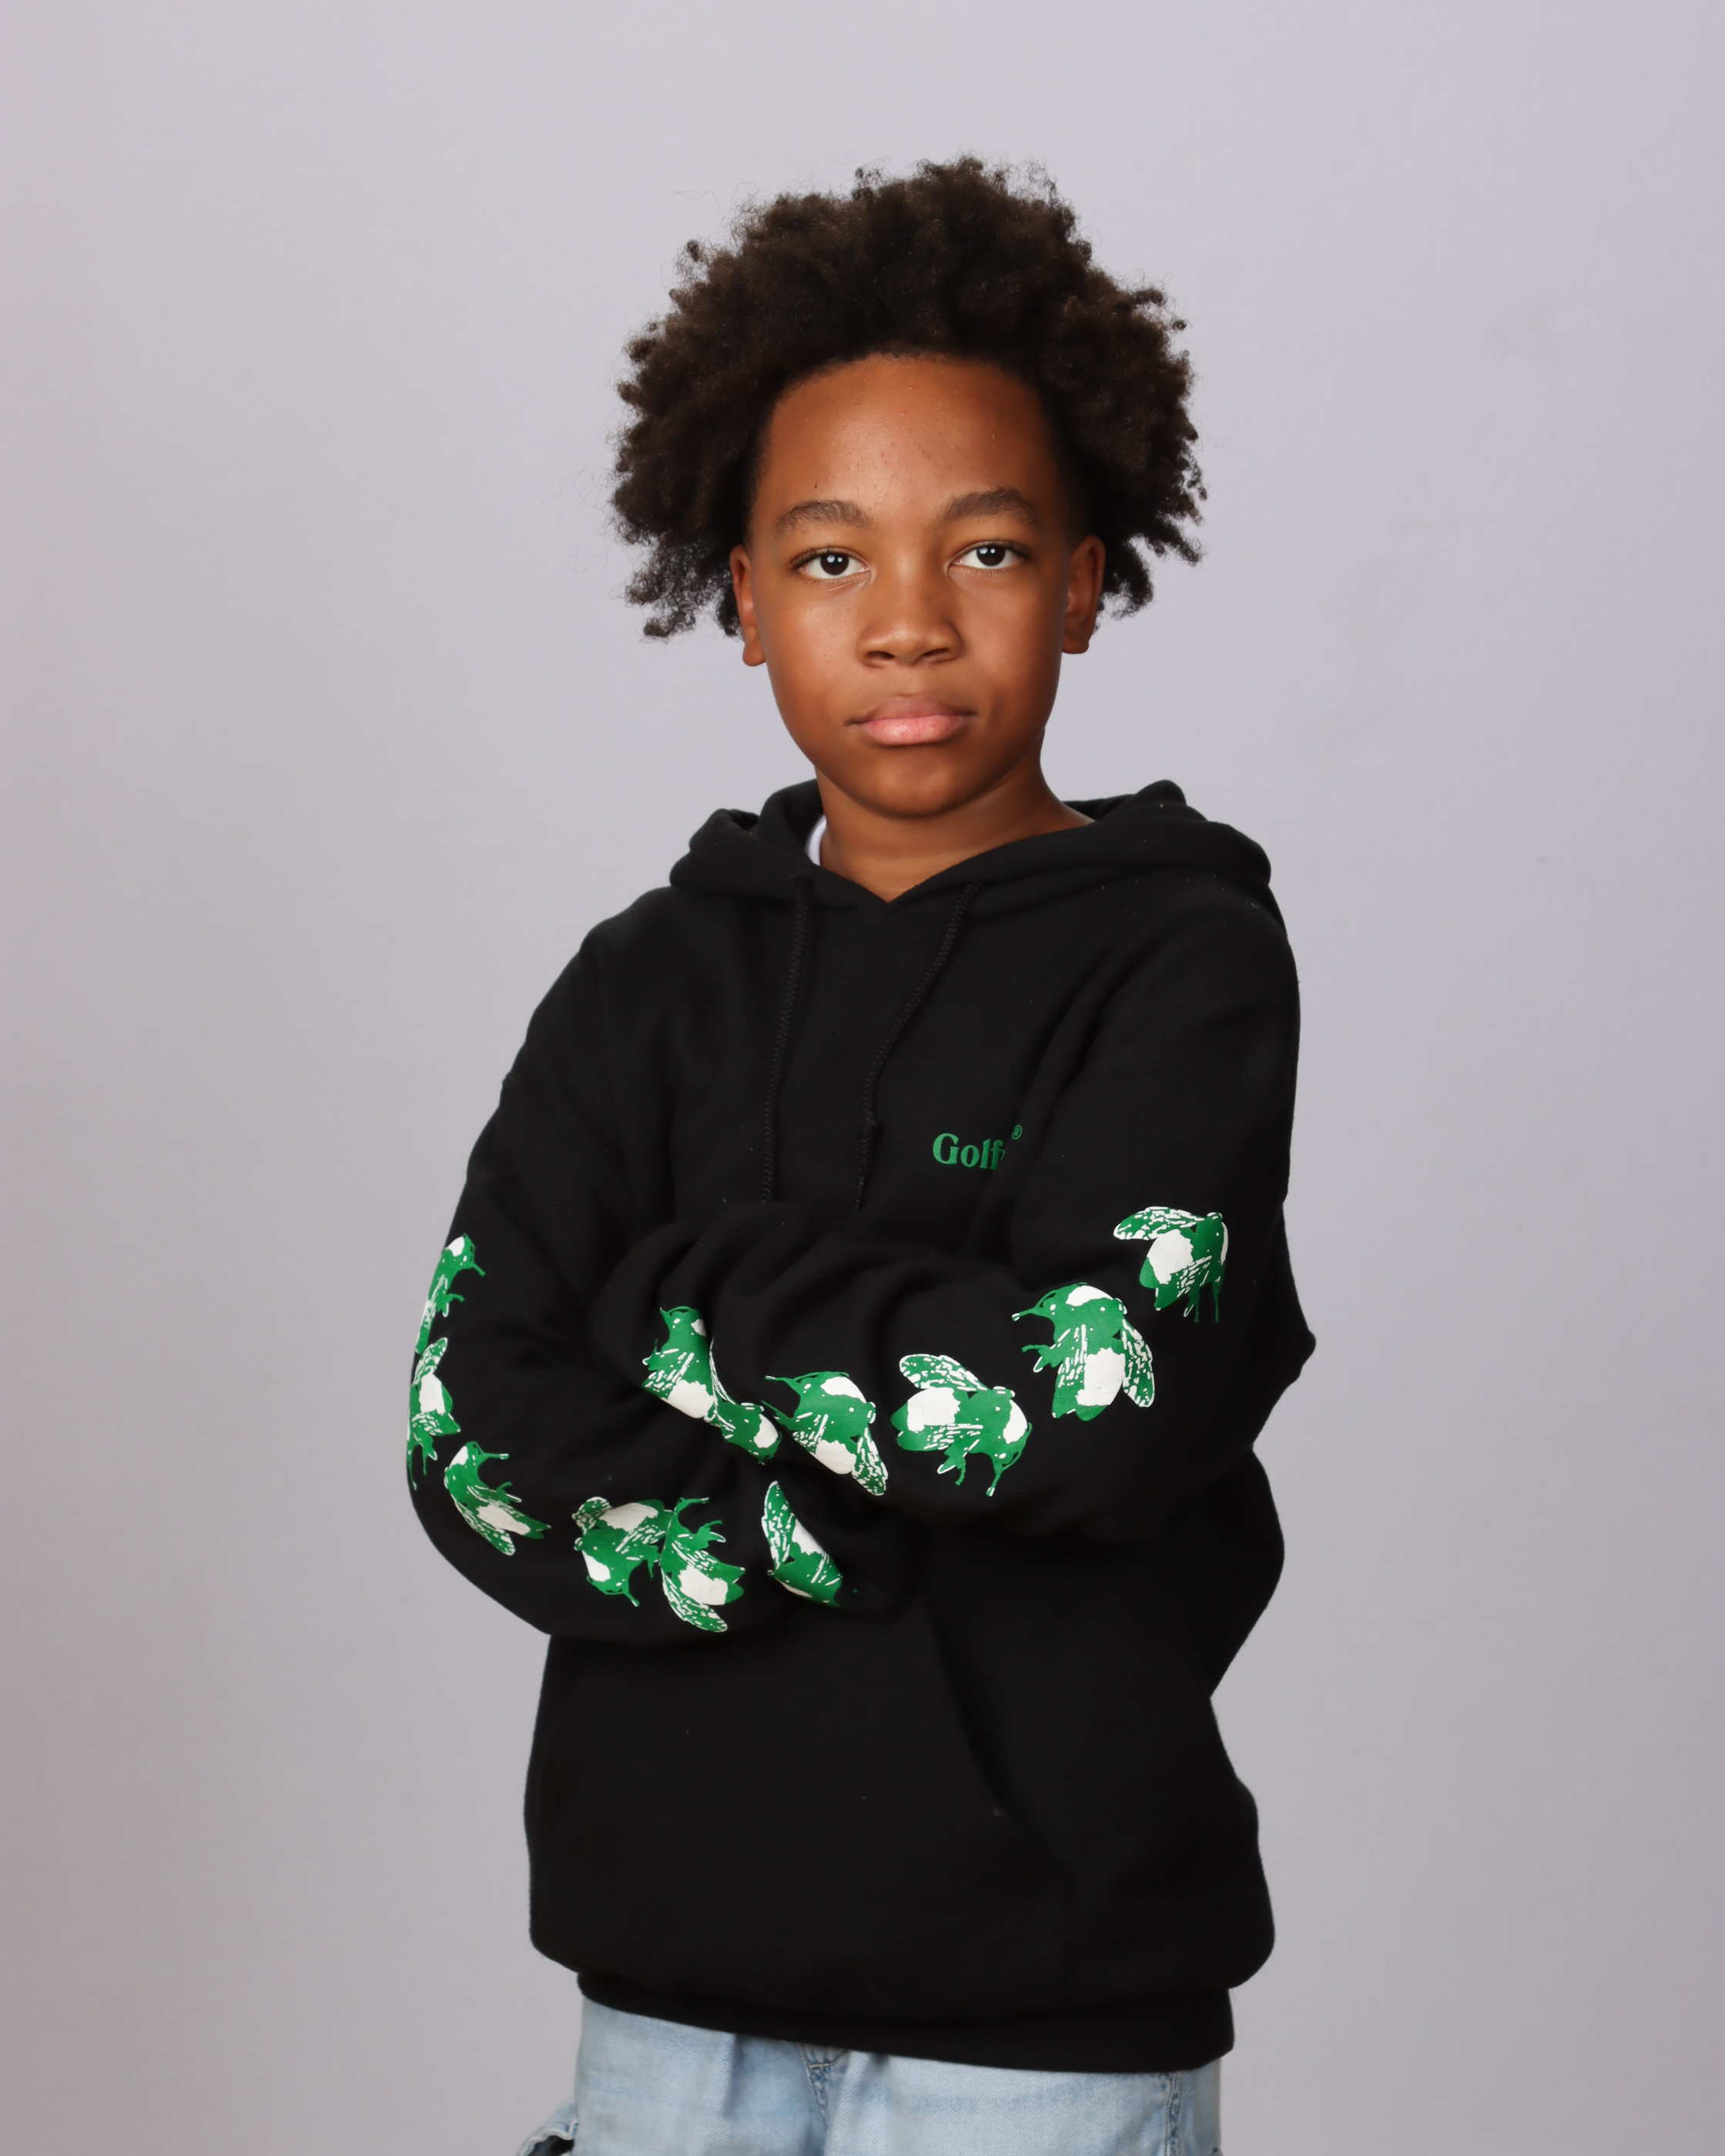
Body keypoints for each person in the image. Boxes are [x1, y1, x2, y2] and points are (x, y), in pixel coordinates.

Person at [409, 158, 1314, 2156]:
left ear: (1083, 583)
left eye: (984, 549)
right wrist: (824, 1514)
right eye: (830, 560)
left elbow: (1091, 1408)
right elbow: (472, 1434)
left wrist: (679, 1294)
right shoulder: (641, 985)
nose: (906, 624)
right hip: (664, 2001)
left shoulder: (1186, 961)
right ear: (740, 600)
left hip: (1049, 2025)